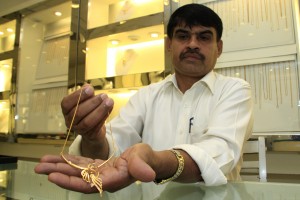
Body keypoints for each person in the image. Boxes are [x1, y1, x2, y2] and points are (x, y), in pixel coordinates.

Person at [35, 3, 253, 194]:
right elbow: (111, 150)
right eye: (183, 36)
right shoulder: (147, 96)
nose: (193, 44)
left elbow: (221, 151)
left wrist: (156, 161)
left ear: (219, 47)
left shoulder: (235, 90)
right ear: (169, 45)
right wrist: (94, 137)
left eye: (204, 37)